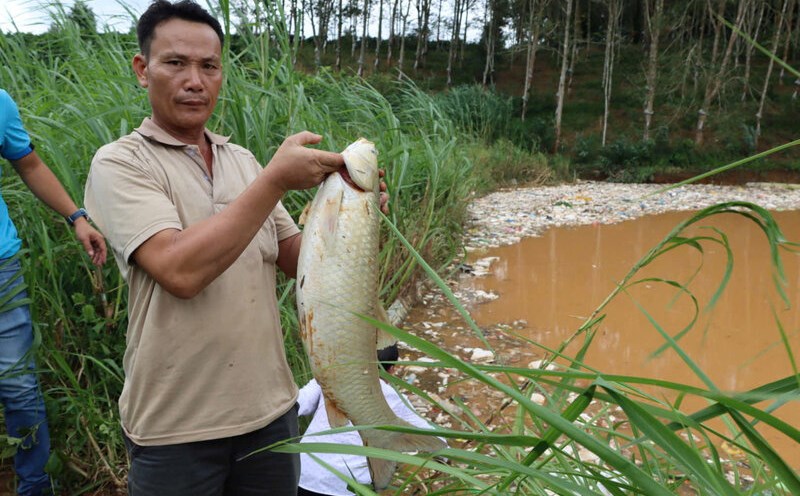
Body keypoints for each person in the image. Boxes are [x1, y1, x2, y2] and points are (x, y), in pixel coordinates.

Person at [83, 1, 387, 494]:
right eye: (175, 63)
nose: (195, 81)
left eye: (209, 66)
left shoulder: (243, 162)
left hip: (271, 417)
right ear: (143, 69)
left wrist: (352, 219)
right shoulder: (121, 163)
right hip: (175, 429)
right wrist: (273, 182)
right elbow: (179, 271)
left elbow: (296, 258)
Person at [0, 88, 107, 495]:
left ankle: (35, 487)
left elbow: (28, 164)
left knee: (19, 387)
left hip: (1, 268)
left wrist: (77, 218)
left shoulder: (0, 103)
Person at [296, 344, 443, 496]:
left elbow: (297, 405)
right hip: (345, 486)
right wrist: (447, 458)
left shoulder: (331, 377)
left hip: (302, 474)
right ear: (392, 369)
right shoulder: (393, 398)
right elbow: (433, 437)